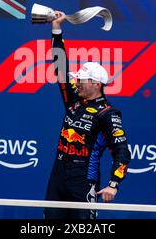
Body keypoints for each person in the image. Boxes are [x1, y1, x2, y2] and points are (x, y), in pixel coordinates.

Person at [44, 11, 131, 219]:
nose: (77, 82)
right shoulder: (74, 99)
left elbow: (122, 151)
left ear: (96, 83)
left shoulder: (108, 114)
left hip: (83, 177)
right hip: (59, 171)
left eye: (82, 79)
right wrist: (56, 29)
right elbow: (60, 67)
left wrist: (113, 184)